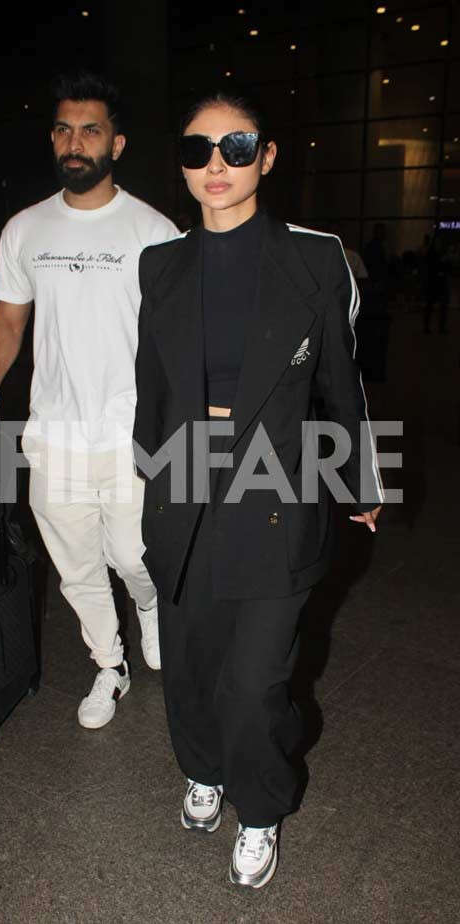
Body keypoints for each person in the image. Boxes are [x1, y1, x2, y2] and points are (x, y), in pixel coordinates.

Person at [133, 92, 383, 890]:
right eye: (198, 148)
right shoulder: (160, 264)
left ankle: (262, 808)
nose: (216, 165)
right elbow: (153, 388)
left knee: (254, 684)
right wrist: (150, 474)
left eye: (236, 147)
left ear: (267, 157)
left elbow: (343, 383)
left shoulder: (316, 258)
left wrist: (359, 479)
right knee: (192, 667)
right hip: (186, 488)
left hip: (277, 486)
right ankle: (202, 771)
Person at [0, 71, 178, 729]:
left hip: (131, 430)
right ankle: (108, 666)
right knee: (77, 566)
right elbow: (8, 321)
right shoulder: (26, 228)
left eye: (89, 130)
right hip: (54, 431)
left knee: (135, 555)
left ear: (117, 142)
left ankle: (148, 605)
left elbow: (178, 336)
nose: (74, 142)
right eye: (63, 129)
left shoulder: (154, 230)